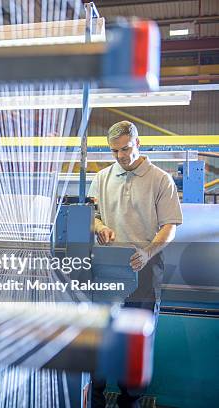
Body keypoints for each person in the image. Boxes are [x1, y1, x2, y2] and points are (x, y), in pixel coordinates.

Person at [88, 121, 183, 408]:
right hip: (104, 272)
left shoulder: (160, 179)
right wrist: (99, 227)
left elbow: (170, 226)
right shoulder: (101, 178)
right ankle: (95, 398)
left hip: (143, 271)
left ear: (138, 144)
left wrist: (148, 251)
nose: (121, 156)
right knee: (99, 339)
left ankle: (130, 402)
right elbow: (91, 215)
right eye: (114, 150)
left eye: (126, 149)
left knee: (135, 344)